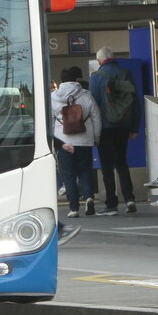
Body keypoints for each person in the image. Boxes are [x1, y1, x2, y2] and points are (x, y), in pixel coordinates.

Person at [90, 46, 139, 215]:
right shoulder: (126, 73)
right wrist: (134, 127)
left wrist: (94, 131)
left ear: (99, 61)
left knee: (107, 166)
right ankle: (130, 199)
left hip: (105, 127)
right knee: (122, 162)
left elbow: (94, 107)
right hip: (124, 125)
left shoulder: (96, 77)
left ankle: (111, 204)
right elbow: (135, 102)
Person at [51, 66, 101, 218]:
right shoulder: (86, 95)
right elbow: (96, 116)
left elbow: (50, 121)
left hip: (64, 141)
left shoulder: (54, 96)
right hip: (85, 140)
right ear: (77, 79)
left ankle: (74, 208)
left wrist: (55, 142)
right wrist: (96, 137)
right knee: (85, 171)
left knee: (68, 175)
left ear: (61, 80)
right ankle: (89, 197)